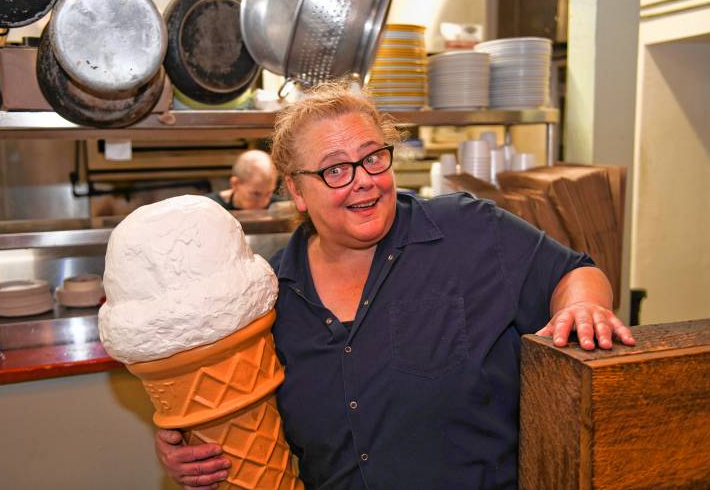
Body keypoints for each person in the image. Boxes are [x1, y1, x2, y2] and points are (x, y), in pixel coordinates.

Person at [156, 81, 635, 489]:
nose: (363, 180)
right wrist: (189, 445)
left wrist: (585, 306)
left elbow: (574, 272)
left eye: (373, 158)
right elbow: (244, 419)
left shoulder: (469, 230)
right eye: (335, 169)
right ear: (297, 191)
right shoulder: (268, 297)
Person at [207, 149, 283, 210]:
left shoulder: (280, 207)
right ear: (235, 184)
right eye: (256, 194)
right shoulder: (210, 208)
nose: (263, 203)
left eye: (268, 193)